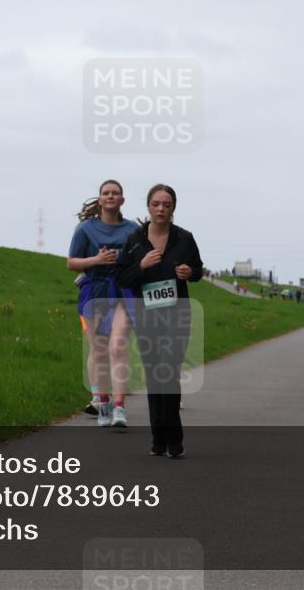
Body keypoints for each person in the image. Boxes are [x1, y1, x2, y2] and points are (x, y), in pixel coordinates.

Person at [117, 184, 202, 459]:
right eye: (156, 204)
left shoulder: (184, 238)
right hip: (147, 315)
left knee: (169, 372)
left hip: (178, 314)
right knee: (155, 376)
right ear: (148, 206)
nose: (161, 209)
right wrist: (140, 266)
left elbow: (199, 270)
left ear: (173, 207)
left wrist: (190, 272)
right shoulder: (135, 240)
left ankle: (173, 439)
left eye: (166, 204)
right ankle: (158, 438)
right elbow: (122, 278)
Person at [68, 180, 140, 428]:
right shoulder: (85, 229)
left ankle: (120, 407)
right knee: (98, 350)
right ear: (99, 200)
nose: (110, 196)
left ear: (122, 200)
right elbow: (72, 263)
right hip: (95, 289)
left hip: (122, 289)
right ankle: (103, 403)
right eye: (106, 193)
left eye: (115, 193)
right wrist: (97, 259)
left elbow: (138, 260)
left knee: (118, 346)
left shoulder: (132, 230)